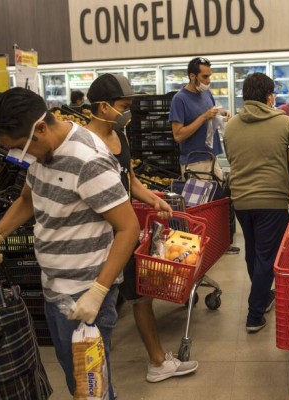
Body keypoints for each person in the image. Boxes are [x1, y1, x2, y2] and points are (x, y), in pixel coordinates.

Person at [0, 87, 140, 399]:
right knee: (81, 381)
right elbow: (28, 198)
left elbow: (129, 228)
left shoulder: (88, 161)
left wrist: (98, 292)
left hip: (85, 295)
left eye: (19, 149)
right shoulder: (44, 152)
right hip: (55, 290)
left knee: (90, 388)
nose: (19, 157)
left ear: (40, 128)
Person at [86, 73, 198, 383]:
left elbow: (129, 179)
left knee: (137, 296)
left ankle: (156, 361)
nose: (128, 112)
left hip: (125, 233)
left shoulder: (119, 136)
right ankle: (102, 375)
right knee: (103, 306)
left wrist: (153, 200)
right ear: (103, 106)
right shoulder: (86, 145)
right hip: (98, 237)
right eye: (124, 105)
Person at [223, 72, 289, 332]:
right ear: (269, 96)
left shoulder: (230, 126)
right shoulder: (285, 123)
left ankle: (263, 297)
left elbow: (231, 159)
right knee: (267, 256)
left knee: (253, 252)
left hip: (241, 199)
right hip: (272, 199)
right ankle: (255, 315)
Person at [169, 56, 240, 254]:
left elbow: (209, 117)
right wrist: (203, 117)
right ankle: (199, 248)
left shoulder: (206, 94)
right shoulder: (179, 99)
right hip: (194, 163)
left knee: (219, 202)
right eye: (204, 76)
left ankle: (218, 243)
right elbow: (178, 135)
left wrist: (220, 115)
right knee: (199, 209)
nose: (208, 81)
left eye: (210, 76)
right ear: (192, 76)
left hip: (211, 158)